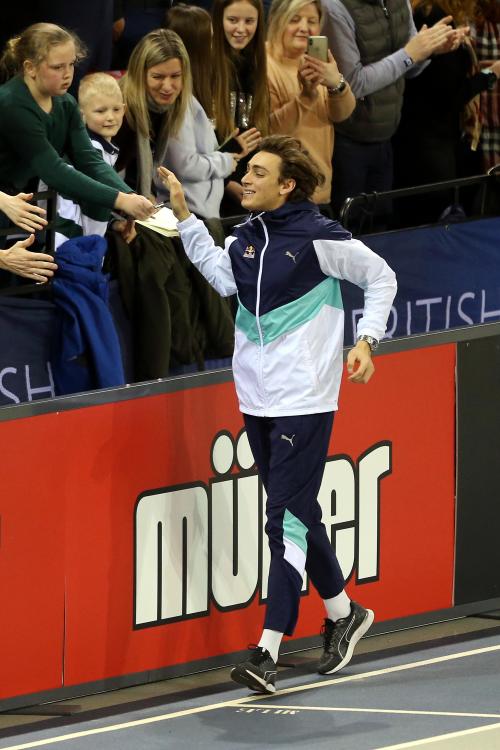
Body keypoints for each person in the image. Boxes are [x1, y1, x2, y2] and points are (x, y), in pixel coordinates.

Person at [159, 134, 397, 694]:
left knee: (282, 520)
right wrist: (186, 219)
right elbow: (223, 278)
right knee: (297, 510)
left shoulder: (319, 237)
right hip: (255, 398)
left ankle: (267, 649)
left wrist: (367, 340)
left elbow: (381, 277)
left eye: (258, 173)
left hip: (305, 397)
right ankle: (343, 613)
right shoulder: (245, 237)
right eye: (246, 171)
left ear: (287, 185)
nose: (245, 179)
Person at [0, 23, 154, 234]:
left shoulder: (66, 103)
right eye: (57, 67)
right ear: (30, 68)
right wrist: (120, 200)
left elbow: (89, 160)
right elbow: (53, 170)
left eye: (71, 64)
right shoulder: (12, 105)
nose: (67, 74)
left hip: (29, 205)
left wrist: (130, 196)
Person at [321, 0, 458, 215]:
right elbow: (352, 84)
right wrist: (410, 54)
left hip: (388, 136)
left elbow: (409, 68)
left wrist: (430, 50)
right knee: (349, 225)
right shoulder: (335, 7)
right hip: (347, 138)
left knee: (381, 223)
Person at [393, 0, 499, 223]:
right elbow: (446, 96)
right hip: (427, 145)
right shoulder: (435, 17)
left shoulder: (440, 14)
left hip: (433, 138)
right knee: (431, 222)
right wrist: (490, 75)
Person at [266, 0, 356, 208]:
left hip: (318, 188)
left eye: (312, 21)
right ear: (278, 21)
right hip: (281, 192)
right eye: (294, 19)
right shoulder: (264, 64)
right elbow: (270, 133)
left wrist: (336, 84)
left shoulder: (315, 62)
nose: (304, 28)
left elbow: (342, 114)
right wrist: (306, 96)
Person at [211, 0, 268, 213]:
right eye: (233, 20)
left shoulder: (256, 65)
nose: (241, 29)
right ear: (219, 20)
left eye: (249, 21)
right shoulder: (205, 67)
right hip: (212, 189)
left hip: (248, 187)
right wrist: (226, 183)